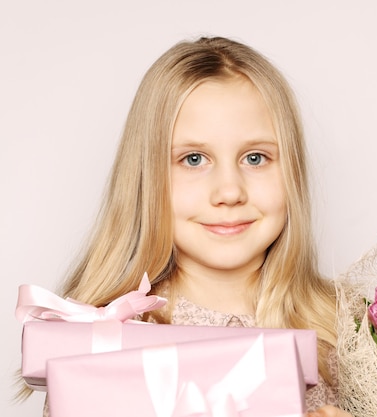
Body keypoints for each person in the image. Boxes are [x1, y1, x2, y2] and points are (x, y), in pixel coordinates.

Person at [35, 36, 352, 417]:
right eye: (194, 159)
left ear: (293, 171)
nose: (229, 191)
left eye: (255, 157)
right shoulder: (103, 343)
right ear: (147, 178)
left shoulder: (350, 333)